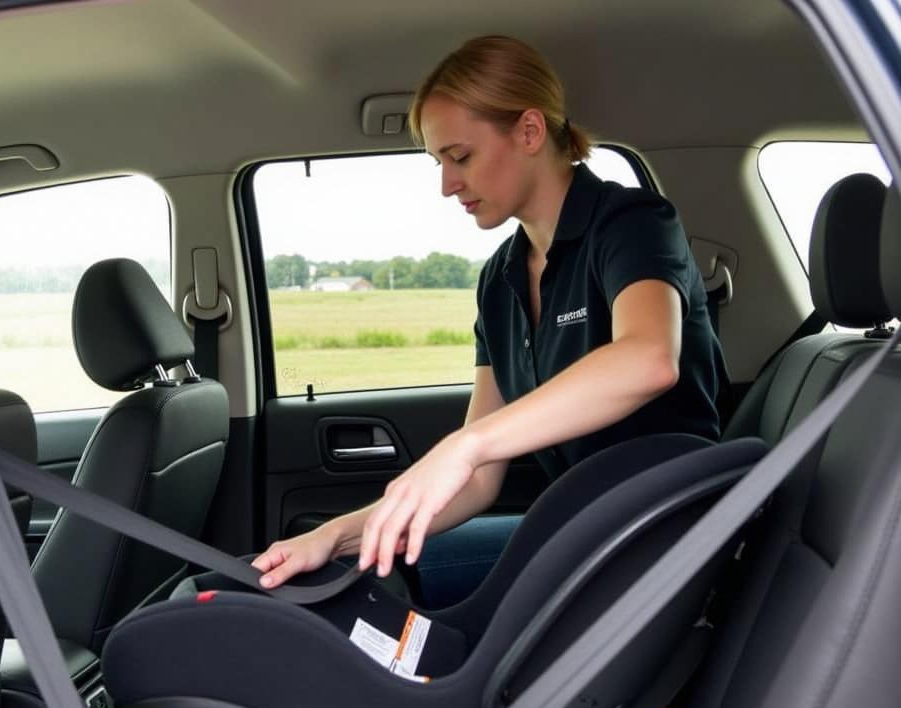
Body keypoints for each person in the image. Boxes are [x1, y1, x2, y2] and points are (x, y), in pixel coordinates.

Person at [253, 34, 728, 599]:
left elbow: (649, 359)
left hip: (664, 529)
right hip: (577, 524)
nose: (447, 185)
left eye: (461, 157)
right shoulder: (500, 278)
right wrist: (337, 536)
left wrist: (468, 444)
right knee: (371, 573)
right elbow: (478, 482)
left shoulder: (631, 224)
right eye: (440, 163)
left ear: (529, 131)